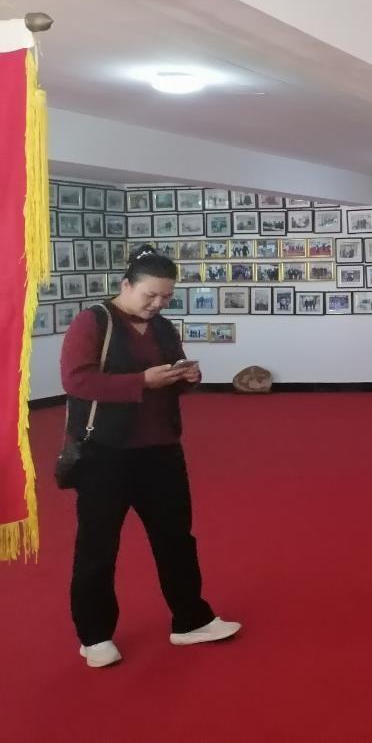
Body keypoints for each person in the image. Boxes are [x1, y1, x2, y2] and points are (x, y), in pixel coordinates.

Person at [59, 247, 240, 669]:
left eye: (166, 297)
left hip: (161, 450)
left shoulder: (162, 326)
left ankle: (191, 619)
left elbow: (170, 375)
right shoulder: (93, 321)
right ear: (126, 285)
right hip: (104, 454)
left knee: (176, 539)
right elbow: (77, 380)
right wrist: (142, 380)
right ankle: (94, 636)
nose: (158, 304)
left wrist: (186, 377)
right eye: (150, 295)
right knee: (98, 547)